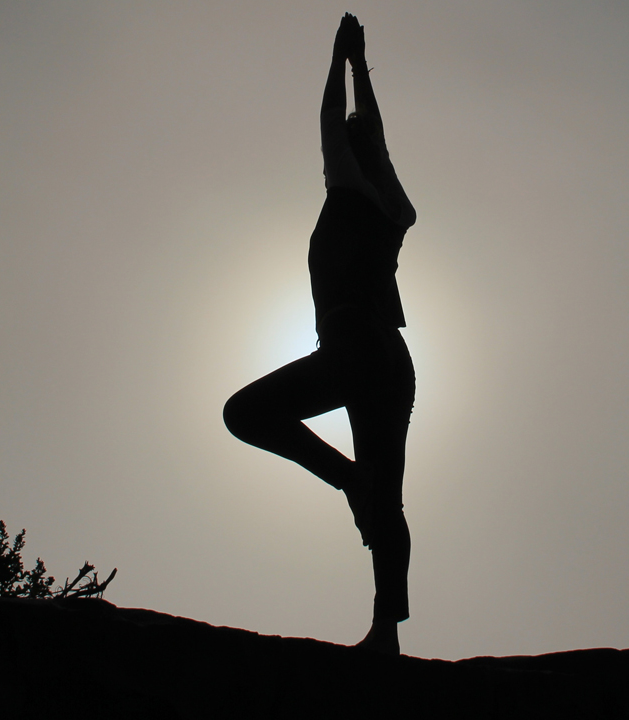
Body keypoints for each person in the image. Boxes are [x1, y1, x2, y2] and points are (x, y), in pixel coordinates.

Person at [223, 13, 417, 655]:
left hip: (355, 343)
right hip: (394, 358)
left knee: (245, 413)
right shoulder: (393, 207)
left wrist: (340, 62)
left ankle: (347, 481)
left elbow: (339, 124)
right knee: (389, 495)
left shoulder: (350, 188)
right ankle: (386, 631)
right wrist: (363, 66)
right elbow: (376, 136)